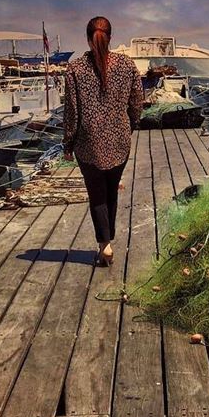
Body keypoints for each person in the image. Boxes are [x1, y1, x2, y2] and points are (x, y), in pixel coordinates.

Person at [62, 16, 143, 266]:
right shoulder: (127, 65)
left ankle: (104, 244)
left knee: (96, 194)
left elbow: (72, 113)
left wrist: (68, 144)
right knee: (111, 191)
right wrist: (130, 123)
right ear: (111, 37)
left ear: (88, 38)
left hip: (88, 144)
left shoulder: (75, 69)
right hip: (119, 140)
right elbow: (137, 102)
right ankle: (108, 240)